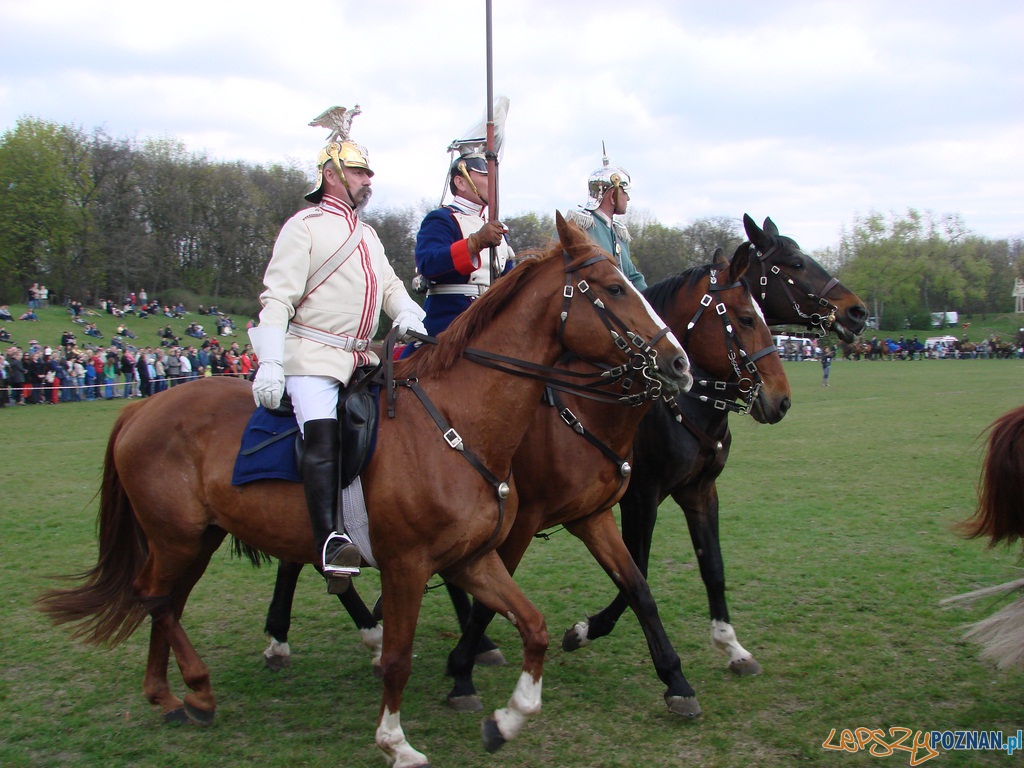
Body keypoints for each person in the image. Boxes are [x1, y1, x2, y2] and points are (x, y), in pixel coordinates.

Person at [249, 105, 426, 595]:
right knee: (323, 433)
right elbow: (277, 297)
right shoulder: (303, 227)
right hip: (311, 356)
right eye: (357, 170)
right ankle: (329, 539)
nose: (367, 179)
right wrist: (270, 359)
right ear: (330, 174)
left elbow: (390, 286)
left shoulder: (368, 235)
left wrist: (408, 311)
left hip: (361, 358)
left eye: (368, 171)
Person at [411, 149, 514, 340]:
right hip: (449, 322)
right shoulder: (441, 219)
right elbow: (428, 263)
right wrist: (474, 243)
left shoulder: (498, 228)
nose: (492, 181)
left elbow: (509, 281)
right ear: (460, 181)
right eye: (485, 175)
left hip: (492, 320)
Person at [565, 147, 646, 290]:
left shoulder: (618, 231)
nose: (628, 198)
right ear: (612, 195)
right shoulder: (579, 224)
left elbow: (632, 277)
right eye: (625, 192)